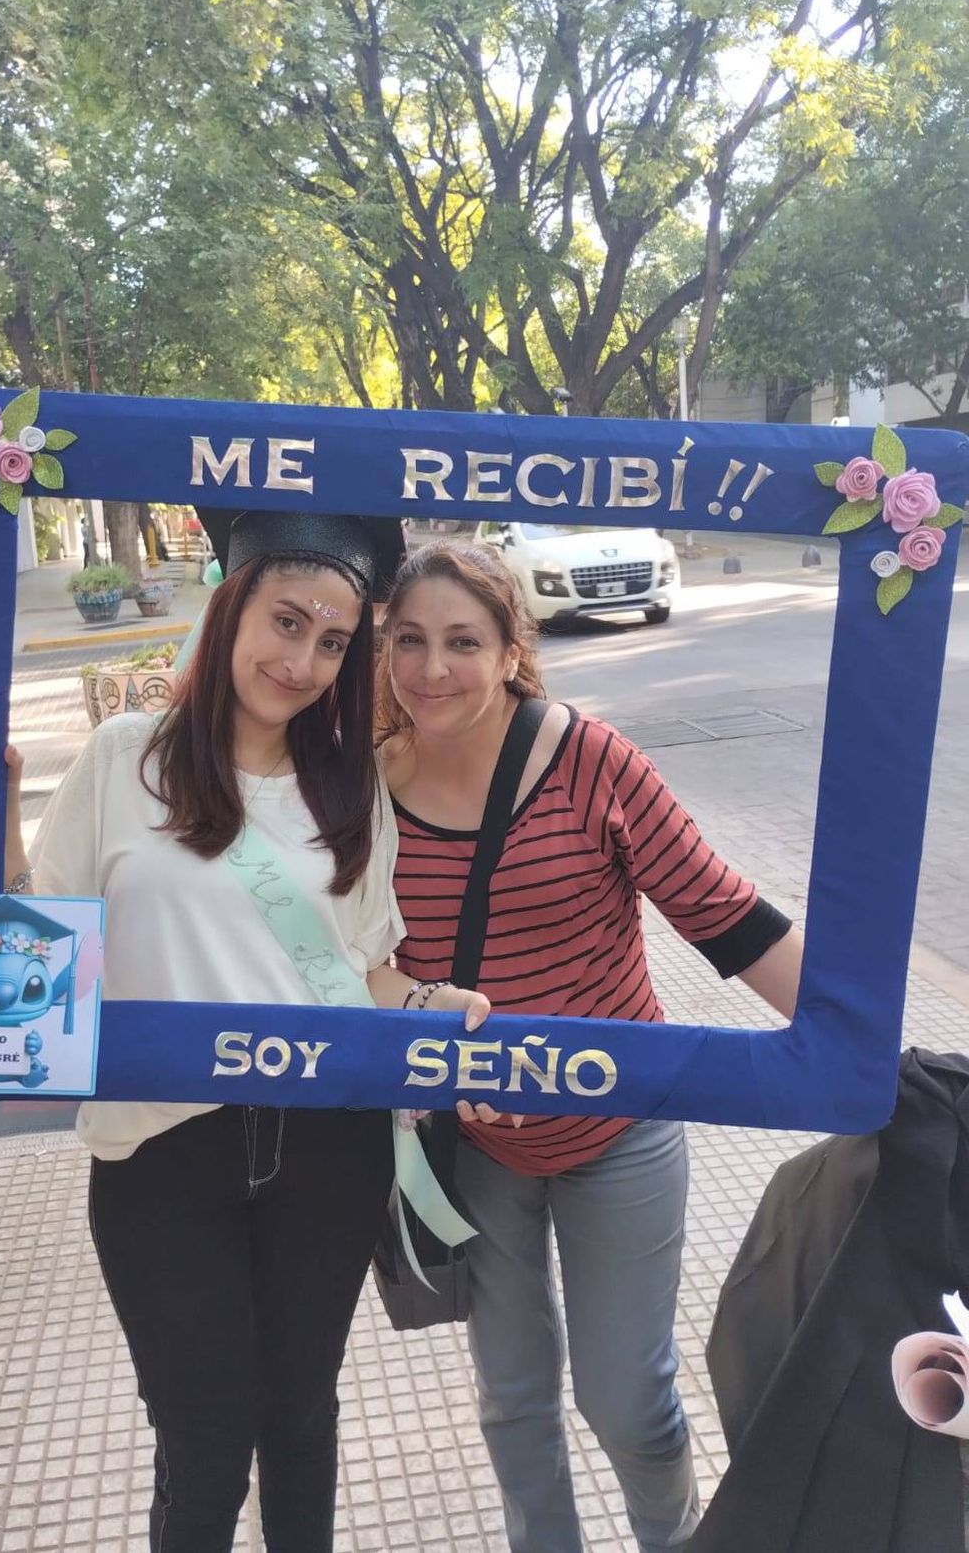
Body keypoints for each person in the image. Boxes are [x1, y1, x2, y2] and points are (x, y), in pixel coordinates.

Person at [0, 509, 489, 1553]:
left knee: (301, 1420)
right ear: (231, 608)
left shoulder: (350, 782)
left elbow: (367, 967)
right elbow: (32, 947)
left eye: (335, 640)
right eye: (287, 621)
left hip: (327, 1150)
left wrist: (440, 1013)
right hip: (160, 1149)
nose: (303, 660)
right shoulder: (128, 758)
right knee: (204, 1437)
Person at [376, 541, 804, 1553]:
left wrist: (862, 1044)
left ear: (514, 649)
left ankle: (678, 1537)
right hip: (473, 1147)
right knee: (513, 1398)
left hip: (621, 1129)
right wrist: (424, 1028)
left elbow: (727, 915)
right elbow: (340, 952)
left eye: (463, 641)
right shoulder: (361, 784)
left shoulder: (591, 761)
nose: (432, 668)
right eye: (410, 640)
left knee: (628, 1399)